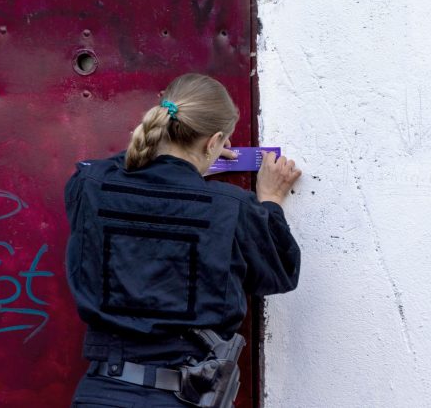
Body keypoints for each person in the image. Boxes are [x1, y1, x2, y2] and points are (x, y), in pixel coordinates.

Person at [64, 73, 301, 407]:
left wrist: (174, 160)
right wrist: (271, 201)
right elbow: (279, 273)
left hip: (102, 394)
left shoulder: (90, 184)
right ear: (214, 141)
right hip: (184, 397)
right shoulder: (231, 207)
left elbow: (105, 169)